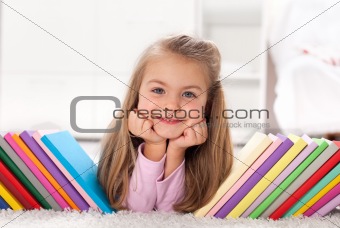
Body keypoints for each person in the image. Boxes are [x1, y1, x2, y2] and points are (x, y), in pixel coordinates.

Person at [97, 34, 233, 213]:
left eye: (188, 94)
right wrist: (154, 146)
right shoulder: (118, 142)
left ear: (207, 105)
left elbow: (172, 214)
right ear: (137, 94)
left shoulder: (213, 155)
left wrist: (176, 152)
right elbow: (134, 212)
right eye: (158, 90)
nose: (172, 105)